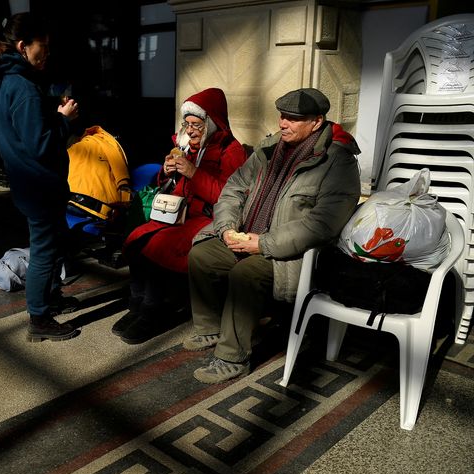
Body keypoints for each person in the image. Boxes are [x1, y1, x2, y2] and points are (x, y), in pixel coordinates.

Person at [184, 87, 362, 384]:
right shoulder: (269, 149)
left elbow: (323, 224)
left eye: (293, 119)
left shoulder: (337, 162)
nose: (282, 124)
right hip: (247, 234)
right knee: (202, 255)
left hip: (292, 252)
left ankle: (231, 358)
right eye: (282, 116)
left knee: (247, 274)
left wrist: (263, 244)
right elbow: (234, 189)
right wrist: (227, 227)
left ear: (316, 122)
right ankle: (209, 328)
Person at [0, 12, 81, 342]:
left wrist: (48, 110)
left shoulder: (2, 79)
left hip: (26, 179)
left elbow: (20, 129)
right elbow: (41, 145)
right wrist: (64, 120)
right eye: (42, 46)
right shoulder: (22, 87)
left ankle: (52, 298)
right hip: (39, 183)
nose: (46, 52)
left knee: (55, 243)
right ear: (22, 46)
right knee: (44, 251)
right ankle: (39, 318)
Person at [112, 88, 247, 344]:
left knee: (157, 245)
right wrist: (167, 171)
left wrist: (194, 173)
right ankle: (137, 304)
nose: (191, 130)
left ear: (211, 122)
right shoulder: (187, 148)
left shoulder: (232, 151)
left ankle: (153, 309)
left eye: (196, 124)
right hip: (178, 214)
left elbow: (228, 197)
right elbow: (171, 186)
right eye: (187, 124)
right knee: (136, 238)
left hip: (208, 219)